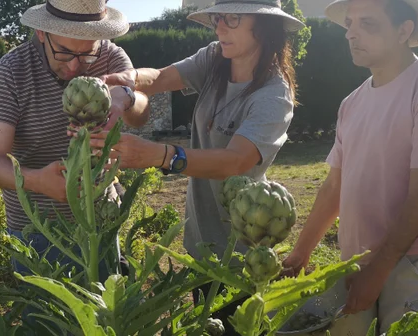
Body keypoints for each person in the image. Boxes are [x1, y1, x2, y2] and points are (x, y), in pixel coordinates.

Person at [93, 0, 304, 333]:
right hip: (200, 239)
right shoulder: (216, 58)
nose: (220, 27)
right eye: (218, 17)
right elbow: (162, 76)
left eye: (232, 18)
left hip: (242, 248)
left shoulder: (273, 96)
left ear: (265, 26)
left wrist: (161, 155)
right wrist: (129, 79)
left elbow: (235, 161)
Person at [281, 0, 418, 334]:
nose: (351, 34)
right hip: (355, 266)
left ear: (404, 30)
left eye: (368, 23)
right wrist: (299, 255)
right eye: (350, 23)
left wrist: (378, 271)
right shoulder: (351, 104)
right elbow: (334, 187)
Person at [0, 0, 151, 329]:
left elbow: (142, 112)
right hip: (39, 231)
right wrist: (36, 181)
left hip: (100, 220)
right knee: (48, 324)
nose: (76, 67)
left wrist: (126, 96)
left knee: (106, 322)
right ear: (42, 32)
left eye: (86, 54)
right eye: (65, 54)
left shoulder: (111, 56)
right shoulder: (12, 70)